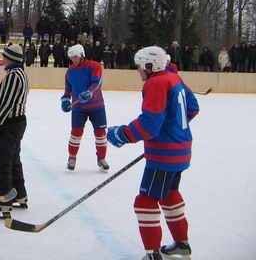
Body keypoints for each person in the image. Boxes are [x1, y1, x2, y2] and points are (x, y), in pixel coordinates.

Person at [106, 46, 199, 260]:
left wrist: (120, 134)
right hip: (181, 150)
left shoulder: (156, 83)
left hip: (164, 156)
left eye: (140, 66)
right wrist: (172, 129)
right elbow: (192, 109)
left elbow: (148, 126)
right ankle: (182, 245)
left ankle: (152, 254)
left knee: (145, 201)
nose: (138, 70)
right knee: (169, 195)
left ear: (150, 66)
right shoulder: (174, 78)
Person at [0, 44, 29, 218]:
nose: (3, 60)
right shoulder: (21, 73)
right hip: (17, 122)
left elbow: (7, 104)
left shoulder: (13, 76)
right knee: (13, 159)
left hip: (9, 123)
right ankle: (19, 194)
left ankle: (3, 201)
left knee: (1, 162)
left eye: (5, 57)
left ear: (12, 59)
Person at [61, 44, 109, 172]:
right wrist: (65, 99)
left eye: (75, 57)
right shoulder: (70, 71)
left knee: (100, 134)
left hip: (97, 106)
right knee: (75, 134)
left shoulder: (94, 66)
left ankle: (101, 158)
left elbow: (97, 83)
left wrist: (90, 92)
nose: (73, 60)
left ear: (82, 55)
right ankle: (72, 157)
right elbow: (68, 89)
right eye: (71, 58)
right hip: (79, 108)